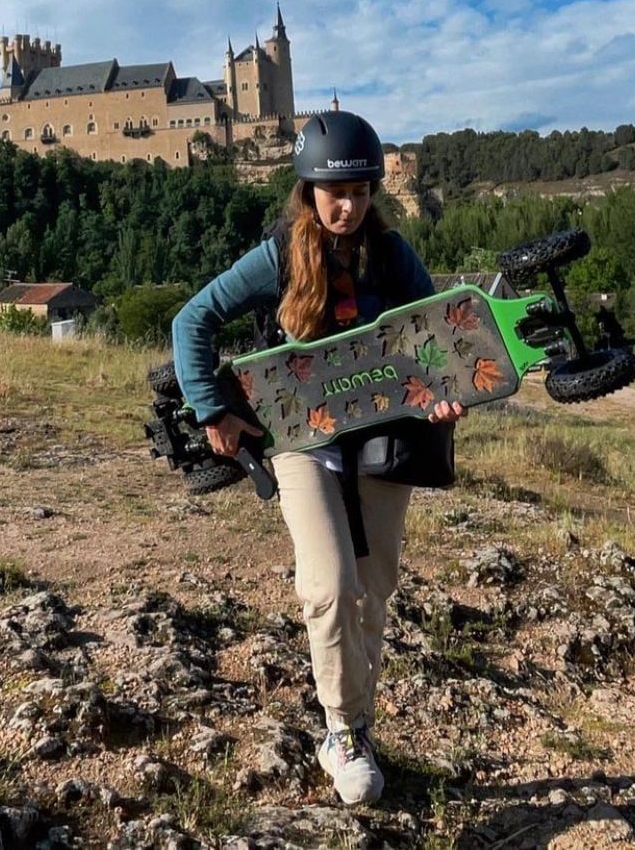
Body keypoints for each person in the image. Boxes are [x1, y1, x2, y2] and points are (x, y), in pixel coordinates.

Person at [171, 110, 464, 806]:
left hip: (384, 435)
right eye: (335, 193)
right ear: (307, 191)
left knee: (375, 588)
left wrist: (442, 390)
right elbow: (193, 320)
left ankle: (355, 722)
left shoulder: (391, 256)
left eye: (360, 192)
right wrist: (211, 407)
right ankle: (341, 731)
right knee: (329, 585)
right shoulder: (279, 253)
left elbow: (437, 335)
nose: (348, 205)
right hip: (300, 439)